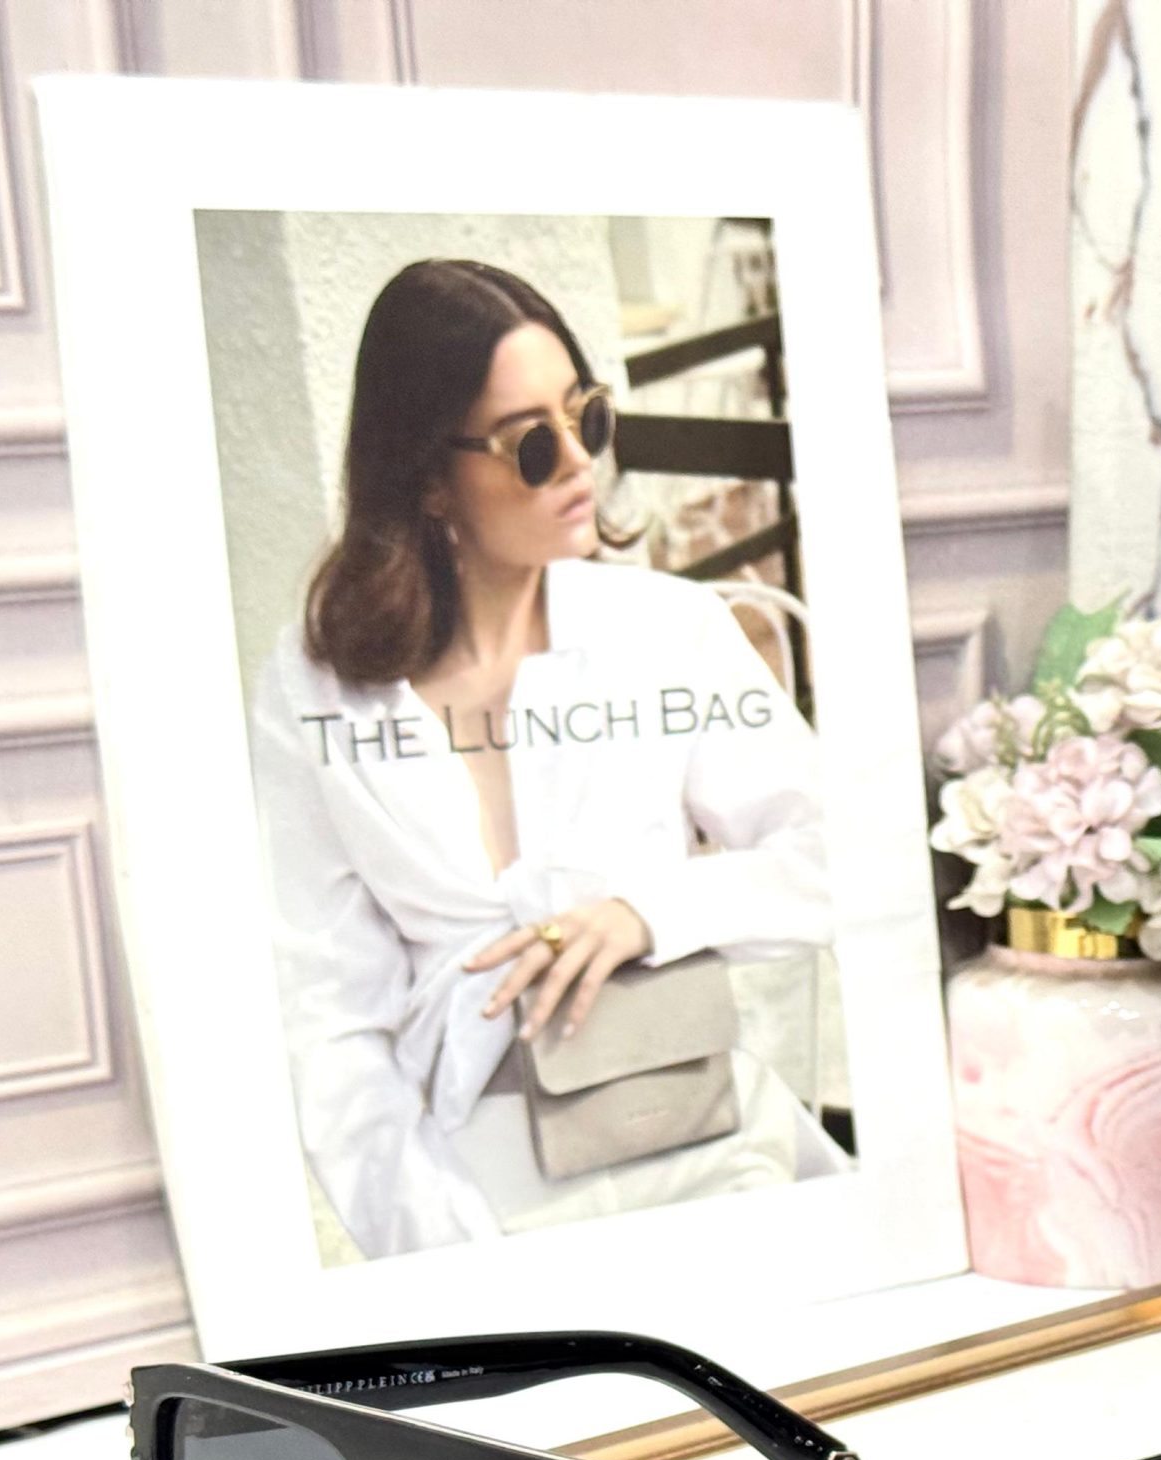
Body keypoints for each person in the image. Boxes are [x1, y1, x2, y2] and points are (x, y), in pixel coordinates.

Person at [248, 257, 846, 1261]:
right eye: (531, 443)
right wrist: (445, 1248)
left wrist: (647, 911)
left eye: (588, 418)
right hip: (475, 1184)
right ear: (427, 478)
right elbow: (326, 1017)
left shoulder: (668, 629)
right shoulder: (315, 690)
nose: (579, 463)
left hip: (696, 1133)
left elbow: (839, 858)